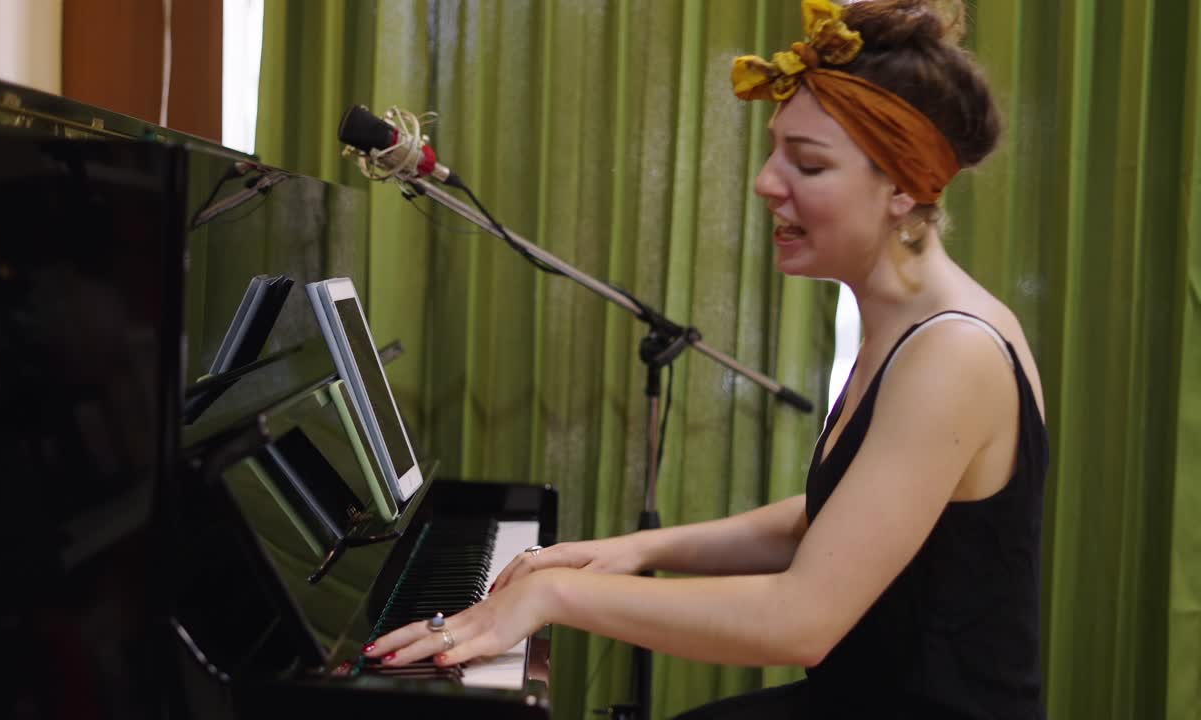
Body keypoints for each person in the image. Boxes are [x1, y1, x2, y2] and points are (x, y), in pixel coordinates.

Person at [364, 0, 1049, 717]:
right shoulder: (909, 321)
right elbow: (834, 518)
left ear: (903, 188)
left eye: (808, 163)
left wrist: (556, 593)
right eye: (776, 149)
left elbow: (802, 621)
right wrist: (636, 549)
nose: (765, 181)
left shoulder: (952, 352)